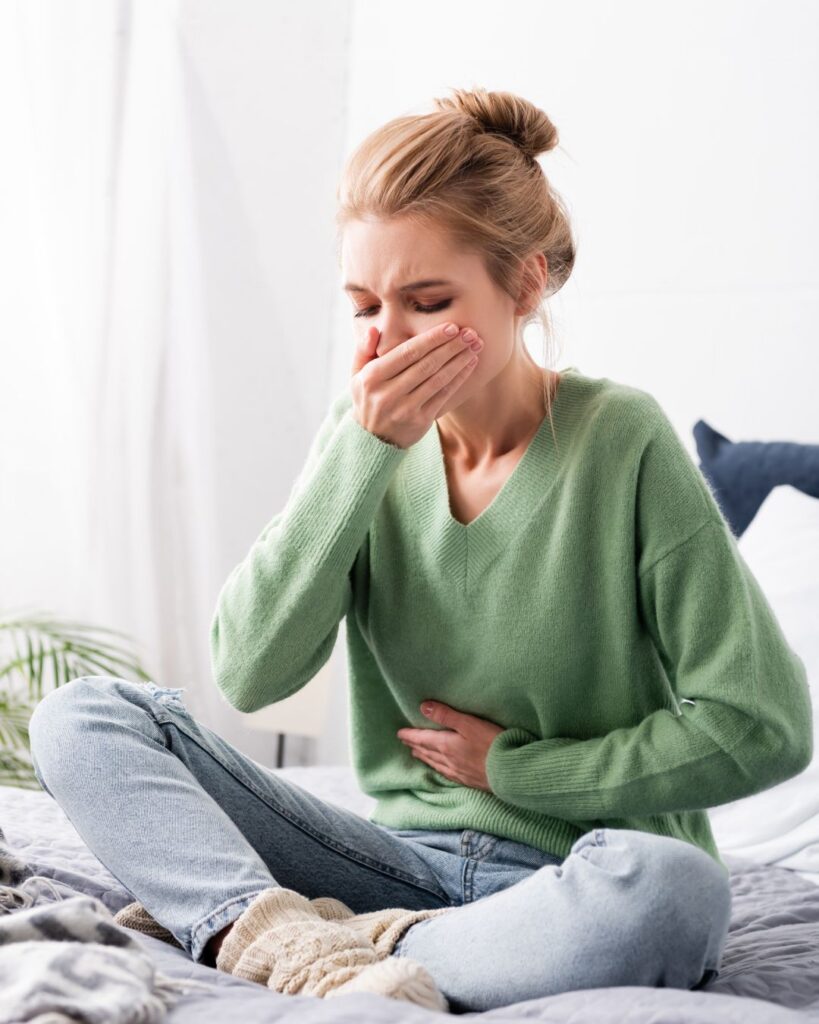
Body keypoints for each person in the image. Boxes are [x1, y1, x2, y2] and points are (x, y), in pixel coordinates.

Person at [28, 87, 812, 1015]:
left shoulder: (621, 440)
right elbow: (248, 673)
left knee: (676, 891)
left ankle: (368, 948)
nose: (384, 339)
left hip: (575, 875)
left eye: (426, 302)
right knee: (82, 716)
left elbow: (764, 725)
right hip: (384, 862)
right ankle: (287, 943)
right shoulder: (359, 440)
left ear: (523, 284)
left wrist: (516, 770)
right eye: (363, 305)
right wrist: (362, 455)